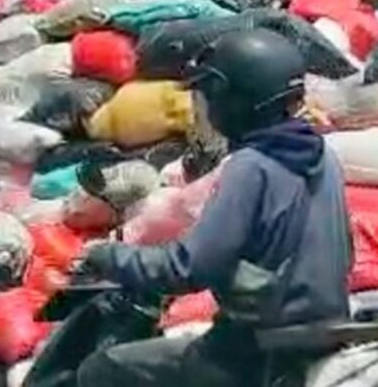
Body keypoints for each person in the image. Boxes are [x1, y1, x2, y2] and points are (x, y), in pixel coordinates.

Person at [75, 29, 354, 387]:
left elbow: (189, 268)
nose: (206, 107)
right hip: (318, 337)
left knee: (101, 368)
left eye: (209, 96)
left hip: (252, 352)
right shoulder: (322, 156)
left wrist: (108, 256)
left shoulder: (251, 166)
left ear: (234, 100)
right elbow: (343, 252)